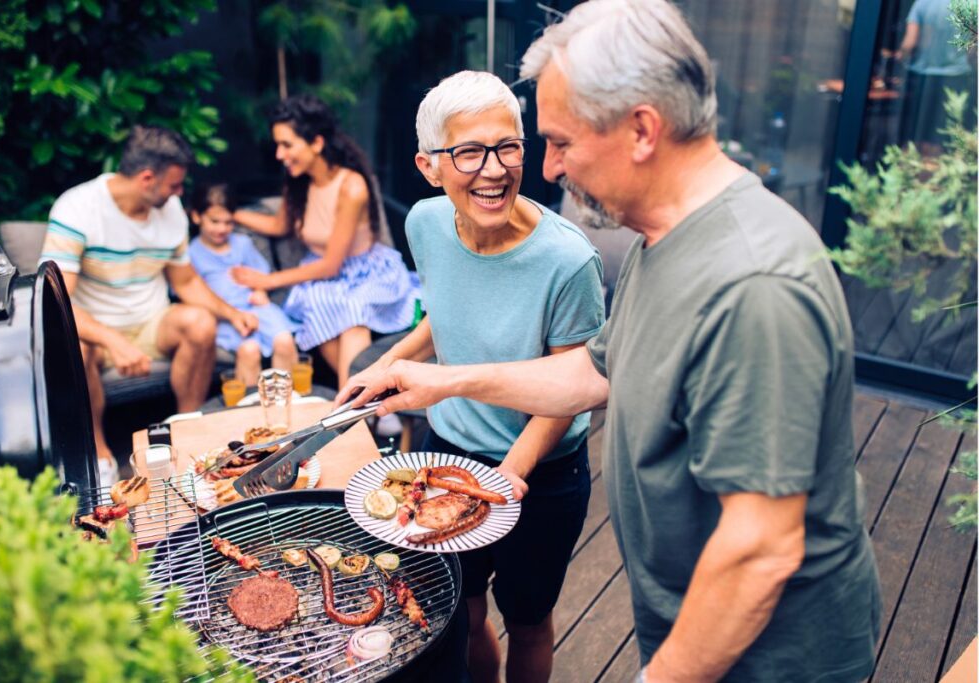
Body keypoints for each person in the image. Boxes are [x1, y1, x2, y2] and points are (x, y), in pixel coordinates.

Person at [345, 1, 883, 681]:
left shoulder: (753, 283)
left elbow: (759, 550)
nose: (548, 169)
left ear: (640, 130)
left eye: (561, 141)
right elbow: (589, 376)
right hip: (698, 631)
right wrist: (443, 379)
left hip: (768, 659)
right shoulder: (664, 243)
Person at [337, 71, 604, 683]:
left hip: (542, 470)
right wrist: (384, 364)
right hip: (446, 455)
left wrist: (510, 477)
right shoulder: (426, 224)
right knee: (460, 605)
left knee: (529, 617)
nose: (494, 169)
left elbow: (572, 384)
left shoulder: (569, 261)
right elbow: (444, 312)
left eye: (507, 146)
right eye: (468, 152)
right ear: (429, 167)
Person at [41, 126, 259, 483]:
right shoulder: (78, 209)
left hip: (151, 322)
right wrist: (113, 340)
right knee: (74, 348)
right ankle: (100, 454)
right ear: (146, 178)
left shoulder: (170, 211)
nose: (179, 193)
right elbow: (56, 303)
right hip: (96, 330)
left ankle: (188, 432)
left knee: (201, 323)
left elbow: (185, 281)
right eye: (174, 184)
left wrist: (232, 313)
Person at [231, 95, 419, 387]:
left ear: (316, 143)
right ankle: (365, 402)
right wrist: (233, 215)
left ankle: (353, 410)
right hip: (322, 276)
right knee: (321, 308)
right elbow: (280, 225)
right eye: (278, 145)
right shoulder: (298, 181)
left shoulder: (352, 186)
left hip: (364, 272)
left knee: (353, 315)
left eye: (287, 145)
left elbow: (333, 264)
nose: (279, 154)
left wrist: (268, 281)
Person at [188, 183, 298, 386]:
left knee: (284, 341)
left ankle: (291, 399)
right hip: (226, 318)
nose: (222, 229)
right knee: (249, 351)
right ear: (197, 217)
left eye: (228, 222)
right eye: (214, 221)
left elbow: (261, 274)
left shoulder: (242, 243)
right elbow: (189, 291)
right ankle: (252, 409)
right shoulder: (191, 253)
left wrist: (259, 290)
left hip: (257, 309)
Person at [896, 0, 975, 153]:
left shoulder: (922, 3)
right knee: (948, 140)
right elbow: (972, 50)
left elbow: (909, 43)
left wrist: (900, 58)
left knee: (915, 139)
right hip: (957, 78)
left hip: (922, 78)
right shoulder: (971, 4)